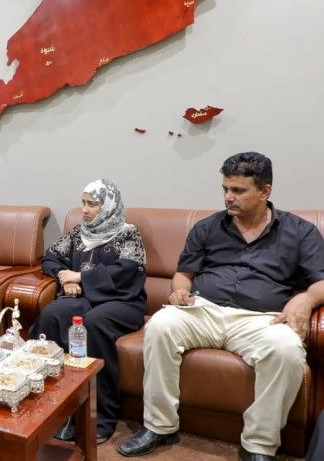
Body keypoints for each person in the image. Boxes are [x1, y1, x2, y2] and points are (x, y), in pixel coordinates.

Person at [118, 152, 324, 461]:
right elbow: (183, 274)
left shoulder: (300, 231)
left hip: (260, 320)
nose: (228, 197)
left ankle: (259, 445)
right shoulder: (207, 227)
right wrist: (179, 291)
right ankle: (160, 426)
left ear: (265, 191)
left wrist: (306, 299)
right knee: (160, 325)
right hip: (204, 310)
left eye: (238, 190)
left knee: (287, 350)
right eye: (225, 189)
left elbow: (321, 281)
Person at [29, 179, 147, 444]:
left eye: (92, 204)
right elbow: (51, 256)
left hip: (123, 301)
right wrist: (64, 277)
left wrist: (81, 277)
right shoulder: (79, 233)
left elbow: (126, 272)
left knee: (92, 324)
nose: (85, 209)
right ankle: (48, 402)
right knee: (52, 314)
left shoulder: (128, 234)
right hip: (87, 297)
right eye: (83, 203)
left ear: (108, 206)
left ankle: (100, 416)